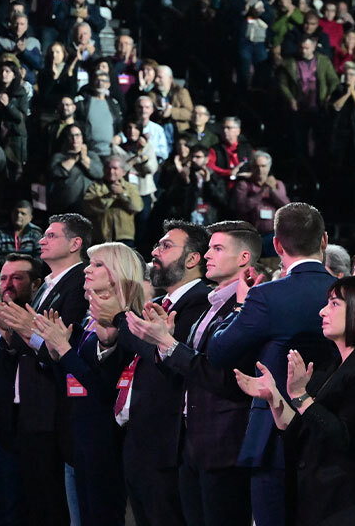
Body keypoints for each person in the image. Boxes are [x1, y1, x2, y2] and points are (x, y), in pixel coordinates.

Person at [124, 220, 263, 526]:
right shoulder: (211, 304)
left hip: (223, 445)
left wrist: (167, 343)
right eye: (209, 247)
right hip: (192, 445)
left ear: (243, 258)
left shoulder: (249, 305)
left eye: (217, 249)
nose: (207, 255)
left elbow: (225, 378)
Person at [208, 202, 339, 526]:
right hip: (334, 429)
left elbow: (219, 351)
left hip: (273, 439)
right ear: (324, 240)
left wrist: (241, 305)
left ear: (277, 245)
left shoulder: (266, 296)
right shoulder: (347, 294)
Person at [234, 277, 355, 526]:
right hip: (317, 500)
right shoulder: (332, 365)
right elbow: (303, 430)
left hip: (348, 505)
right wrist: (274, 396)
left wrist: (301, 396)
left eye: (334, 304)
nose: (322, 311)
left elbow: (345, 438)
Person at [89, 220, 213, 526]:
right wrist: (107, 342)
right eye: (157, 244)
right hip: (136, 438)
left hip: (169, 444)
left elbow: (171, 360)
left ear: (192, 259)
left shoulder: (204, 304)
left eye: (166, 246)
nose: (155, 251)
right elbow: (128, 363)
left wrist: (120, 320)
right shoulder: (155, 304)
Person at [0, 213, 92, 526]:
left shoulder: (77, 283)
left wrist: (26, 328)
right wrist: (9, 332)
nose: (42, 240)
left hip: (53, 409)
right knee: (36, 504)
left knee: (53, 504)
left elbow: (64, 344)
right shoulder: (49, 286)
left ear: (75, 243)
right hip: (31, 411)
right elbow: (24, 340)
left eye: (51, 235)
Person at [32, 242, 142, 526]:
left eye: (97, 265)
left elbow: (105, 392)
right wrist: (57, 354)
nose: (87, 270)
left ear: (118, 272)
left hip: (106, 441)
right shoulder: (90, 319)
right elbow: (73, 383)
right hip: (79, 435)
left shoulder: (129, 321)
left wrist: (65, 350)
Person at [82, 155, 144, 245]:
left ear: (123, 172)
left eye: (115, 168)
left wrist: (122, 194)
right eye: (108, 168)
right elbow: (88, 207)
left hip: (124, 237)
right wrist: (109, 196)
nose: (111, 171)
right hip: (101, 238)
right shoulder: (94, 187)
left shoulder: (131, 188)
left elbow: (137, 207)